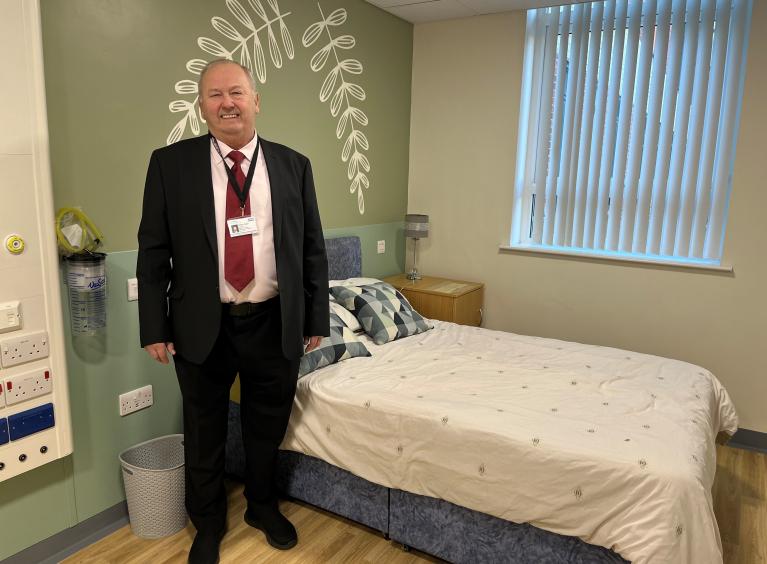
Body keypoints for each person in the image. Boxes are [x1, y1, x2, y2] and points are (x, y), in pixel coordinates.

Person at [137, 59, 329, 564]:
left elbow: (312, 248)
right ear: (202, 106)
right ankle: (208, 522)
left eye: (237, 92)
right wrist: (153, 326)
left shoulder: (294, 165)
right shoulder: (169, 164)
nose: (227, 103)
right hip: (202, 323)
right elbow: (153, 252)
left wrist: (315, 318)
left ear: (256, 100)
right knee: (204, 429)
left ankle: (262, 506)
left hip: (273, 319)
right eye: (215, 94)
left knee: (267, 425)